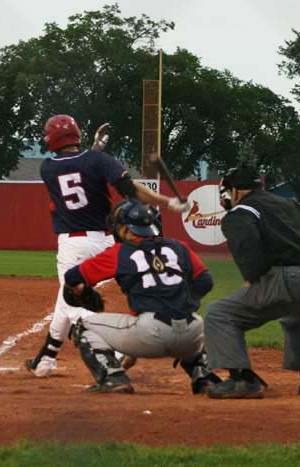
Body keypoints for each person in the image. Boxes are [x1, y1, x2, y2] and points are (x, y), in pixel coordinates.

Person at [25, 115, 190, 377]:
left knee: (72, 305)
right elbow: (129, 189)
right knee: (63, 302)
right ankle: (45, 359)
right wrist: (168, 202)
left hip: (74, 243)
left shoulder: (47, 167)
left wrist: (95, 151)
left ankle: (116, 350)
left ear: (52, 139)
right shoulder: (97, 160)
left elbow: (76, 167)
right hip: (107, 241)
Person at [204, 162, 300, 399]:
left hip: (290, 278)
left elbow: (248, 245)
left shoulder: (241, 211)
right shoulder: (290, 204)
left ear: (236, 191)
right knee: (299, 315)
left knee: (219, 313)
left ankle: (241, 380)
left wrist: (252, 277)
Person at [66, 199, 220, 393]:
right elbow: (205, 282)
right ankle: (203, 378)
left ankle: (113, 377)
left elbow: (71, 277)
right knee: (190, 325)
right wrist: (179, 303)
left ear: (124, 229)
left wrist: (82, 290)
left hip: (149, 333)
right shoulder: (179, 246)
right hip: (193, 332)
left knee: (83, 327)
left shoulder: (120, 251)